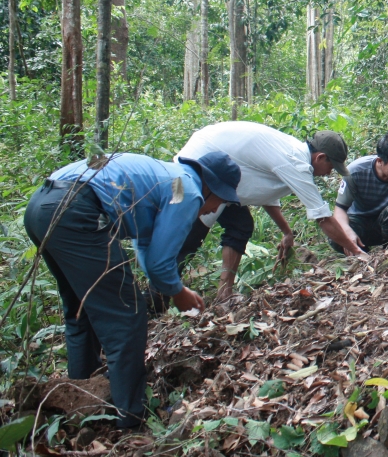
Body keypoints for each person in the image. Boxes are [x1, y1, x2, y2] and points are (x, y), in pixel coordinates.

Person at [23, 151, 241, 429]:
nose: (214, 209)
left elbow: (148, 249)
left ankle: (84, 404)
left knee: (82, 311)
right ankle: (130, 419)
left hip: (41, 205)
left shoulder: (174, 179)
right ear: (210, 186)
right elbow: (161, 265)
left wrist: (172, 285)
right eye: (220, 200)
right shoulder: (188, 191)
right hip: (76, 211)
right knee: (127, 316)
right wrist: (179, 293)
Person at [175, 122, 365, 301]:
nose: (329, 173)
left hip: (215, 163)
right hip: (200, 164)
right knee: (188, 237)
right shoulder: (295, 163)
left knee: (240, 225)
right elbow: (322, 217)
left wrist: (287, 232)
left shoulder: (291, 153)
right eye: (331, 167)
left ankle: (224, 295)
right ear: (320, 157)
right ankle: (158, 297)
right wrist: (356, 251)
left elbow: (265, 194)